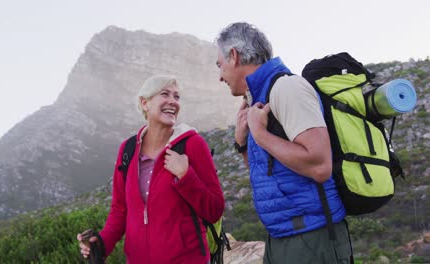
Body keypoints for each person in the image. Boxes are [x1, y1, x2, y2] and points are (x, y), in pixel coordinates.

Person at [215, 22, 352, 264]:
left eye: (220, 65)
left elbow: (320, 167)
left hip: (312, 238)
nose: (220, 76)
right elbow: (270, 173)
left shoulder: (287, 88)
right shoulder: (260, 98)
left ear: (234, 56)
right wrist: (242, 142)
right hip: (282, 237)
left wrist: (260, 134)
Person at [77, 75, 225, 263]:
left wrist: (186, 176)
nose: (173, 101)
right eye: (165, 94)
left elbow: (215, 209)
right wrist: (101, 242)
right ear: (145, 103)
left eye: (177, 97)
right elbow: (120, 210)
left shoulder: (193, 145)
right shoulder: (127, 150)